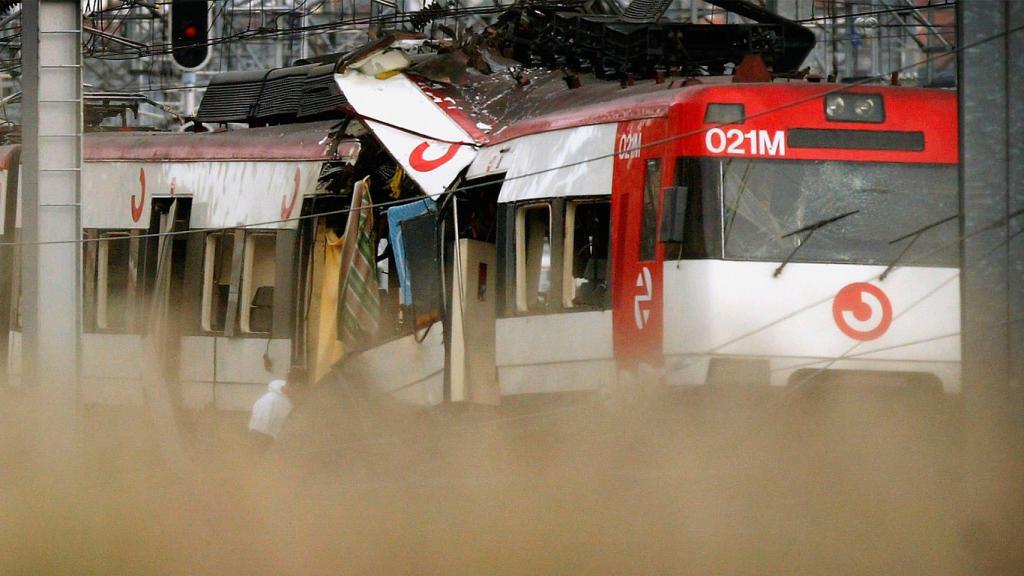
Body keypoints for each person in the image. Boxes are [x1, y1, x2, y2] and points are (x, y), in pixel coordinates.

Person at [248, 368, 302, 451]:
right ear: (296, 385)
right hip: (263, 442)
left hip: (276, 443)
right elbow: (258, 430)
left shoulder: (289, 400)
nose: (300, 393)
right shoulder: (269, 401)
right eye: (299, 389)